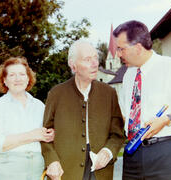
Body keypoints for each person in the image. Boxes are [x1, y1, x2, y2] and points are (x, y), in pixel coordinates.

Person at [113, 20, 171, 180]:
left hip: (166, 155)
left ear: (138, 48)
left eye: (121, 49)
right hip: (132, 154)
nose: (118, 54)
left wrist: (165, 119)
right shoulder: (128, 76)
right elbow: (125, 115)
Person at [41, 40, 125, 180]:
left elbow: (117, 134)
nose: (95, 64)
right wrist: (52, 161)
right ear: (73, 66)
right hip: (66, 171)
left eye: (95, 58)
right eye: (87, 59)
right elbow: (45, 135)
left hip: (101, 172)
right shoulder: (56, 94)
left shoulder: (109, 93)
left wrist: (108, 152)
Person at [0, 57, 55, 180]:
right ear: (4, 80)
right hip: (5, 172)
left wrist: (50, 135)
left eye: (22, 74)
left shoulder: (39, 106)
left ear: (28, 78)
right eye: (12, 75)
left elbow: (45, 139)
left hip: (37, 172)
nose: (18, 79)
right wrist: (31, 135)